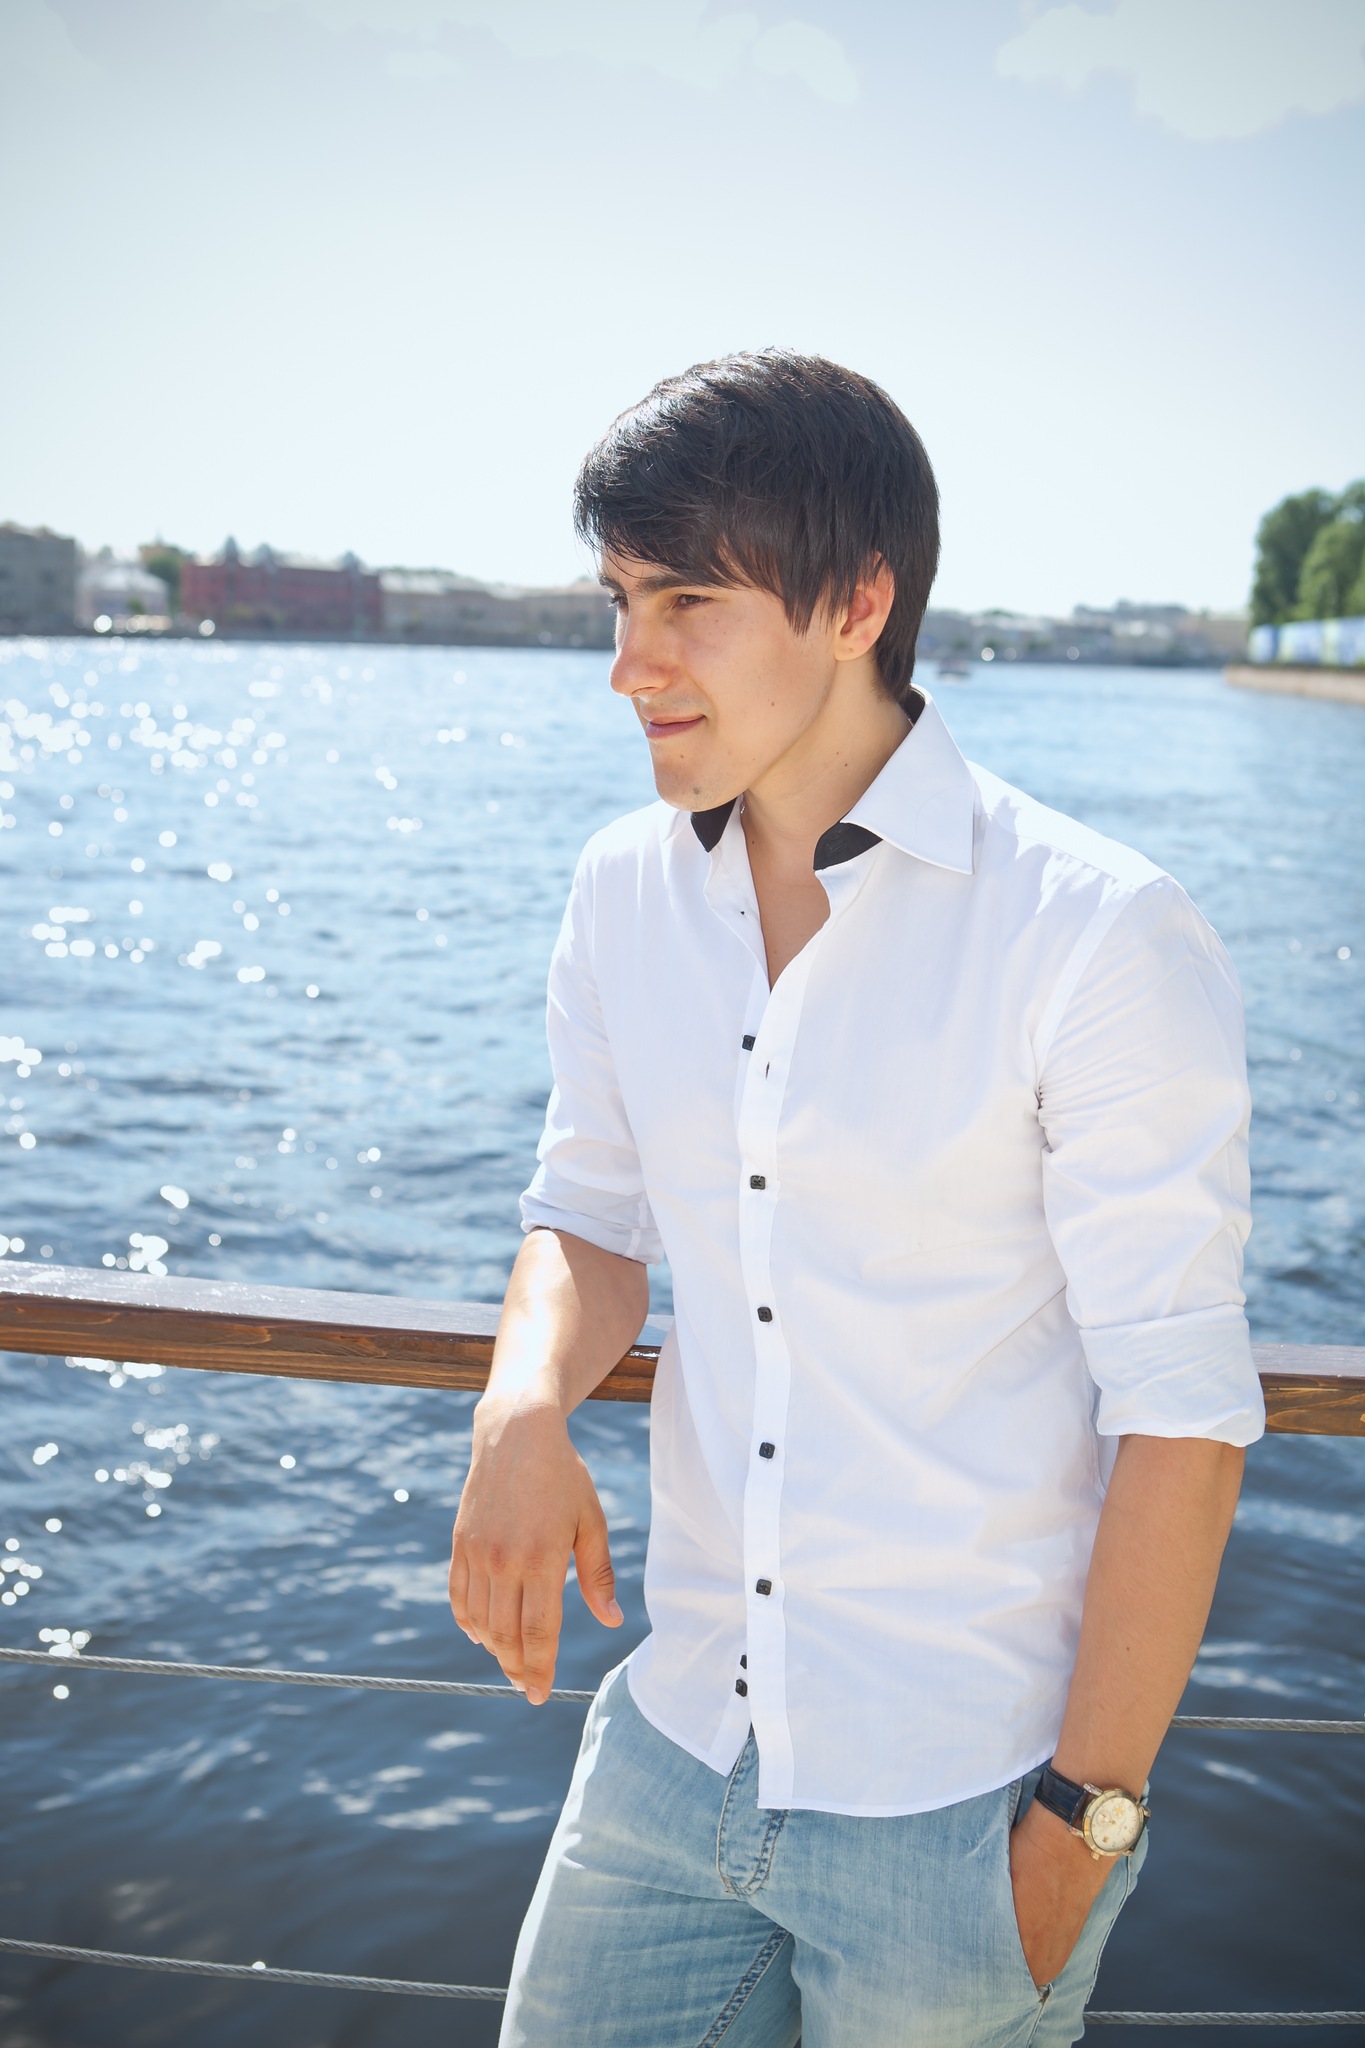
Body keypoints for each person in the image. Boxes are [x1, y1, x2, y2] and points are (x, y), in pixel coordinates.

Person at [448, 350, 1263, 2046]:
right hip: (669, 1749)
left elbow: (1179, 1415)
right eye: (618, 602)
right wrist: (520, 1409)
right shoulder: (618, 892)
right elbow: (589, 1214)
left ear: (856, 604)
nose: (629, 665)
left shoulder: (1096, 933)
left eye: (686, 602)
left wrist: (1076, 1835)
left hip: (962, 1807)